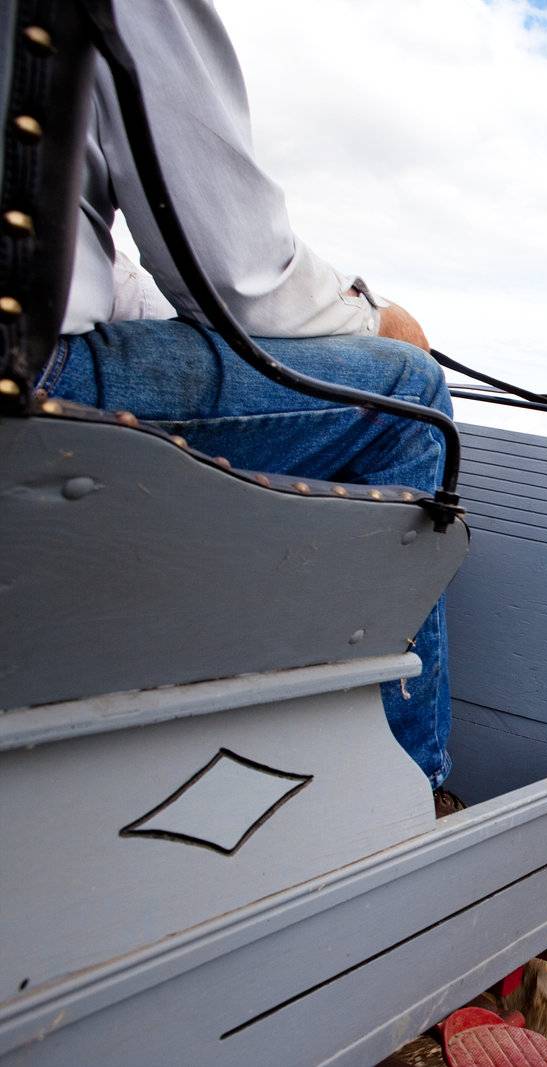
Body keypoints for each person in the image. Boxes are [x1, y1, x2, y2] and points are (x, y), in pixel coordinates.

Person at [42, 0, 455, 794]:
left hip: (48, 346)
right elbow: (232, 266)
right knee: (412, 393)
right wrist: (376, 317)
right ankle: (415, 785)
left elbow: (86, 265)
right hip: (34, 374)